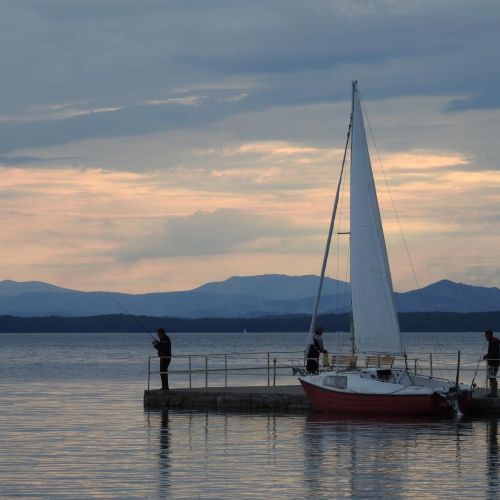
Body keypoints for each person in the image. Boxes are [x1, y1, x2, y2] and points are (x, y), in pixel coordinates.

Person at [483, 330, 500, 397]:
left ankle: (494, 393)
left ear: (489, 335)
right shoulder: (494, 341)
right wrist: (487, 356)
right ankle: (493, 392)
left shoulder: (493, 342)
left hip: (493, 363)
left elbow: (492, 353)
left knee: (492, 377)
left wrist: (486, 356)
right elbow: (493, 352)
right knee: (492, 377)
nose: (485, 337)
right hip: (496, 362)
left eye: (486, 336)